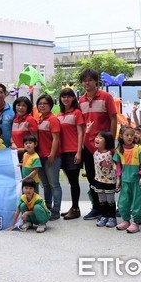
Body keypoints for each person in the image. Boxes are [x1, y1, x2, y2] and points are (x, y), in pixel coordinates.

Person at [78, 68, 117, 221]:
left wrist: (111, 141)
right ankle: (97, 208)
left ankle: (109, 209)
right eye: (84, 80)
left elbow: (113, 119)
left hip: (104, 147)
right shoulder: (81, 100)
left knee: (106, 177)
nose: (87, 83)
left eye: (90, 80)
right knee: (92, 178)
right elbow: (82, 124)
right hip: (88, 145)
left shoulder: (106, 97)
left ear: (96, 81)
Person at [114, 126, 141, 233]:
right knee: (123, 201)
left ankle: (135, 222)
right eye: (127, 135)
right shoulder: (119, 150)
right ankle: (126, 220)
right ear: (121, 136)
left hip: (136, 181)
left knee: (137, 202)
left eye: (132, 135)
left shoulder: (139, 149)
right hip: (125, 180)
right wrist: (118, 178)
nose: (130, 137)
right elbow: (118, 164)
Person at [57, 88, 84, 220]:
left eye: (68, 96)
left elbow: (80, 133)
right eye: (63, 96)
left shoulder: (77, 113)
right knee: (70, 181)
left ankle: (75, 208)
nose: (65, 99)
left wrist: (79, 152)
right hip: (62, 152)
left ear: (73, 98)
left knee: (74, 181)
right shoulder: (59, 115)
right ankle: (73, 207)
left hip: (73, 151)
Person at [84, 123, 117, 229]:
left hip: (110, 181)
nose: (97, 139)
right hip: (98, 180)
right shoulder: (94, 151)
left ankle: (112, 217)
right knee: (101, 200)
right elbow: (86, 141)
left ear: (107, 141)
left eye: (100, 138)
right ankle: (104, 216)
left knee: (110, 201)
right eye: (97, 137)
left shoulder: (111, 152)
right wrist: (87, 131)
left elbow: (119, 163)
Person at [36, 94, 62, 220]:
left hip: (52, 157)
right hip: (40, 156)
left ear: (50, 105)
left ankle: (56, 210)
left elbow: (56, 138)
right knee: (45, 184)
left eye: (45, 103)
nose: (42, 105)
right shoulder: (39, 119)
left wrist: (52, 154)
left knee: (54, 184)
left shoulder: (53, 119)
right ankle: (48, 207)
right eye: (40, 103)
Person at [10, 96, 38, 162]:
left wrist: (23, 149)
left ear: (27, 107)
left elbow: (35, 140)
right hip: (15, 155)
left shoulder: (30, 120)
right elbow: (12, 136)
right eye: (18, 105)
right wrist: (13, 143)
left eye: (24, 106)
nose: (20, 108)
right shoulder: (14, 120)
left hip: (28, 155)